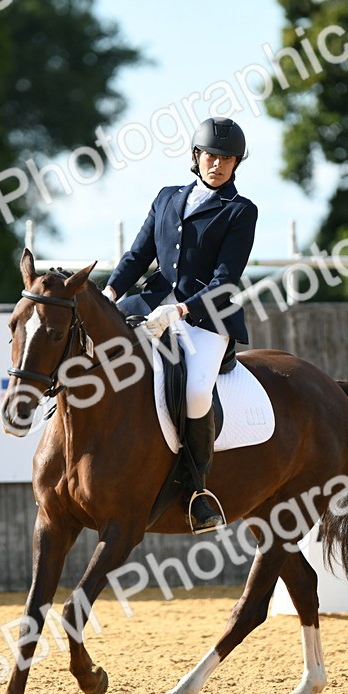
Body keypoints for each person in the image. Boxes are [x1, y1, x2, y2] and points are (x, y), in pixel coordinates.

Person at [104, 117, 258, 533]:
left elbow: (225, 280)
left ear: (236, 164)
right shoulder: (167, 198)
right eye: (212, 156)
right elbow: (137, 256)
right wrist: (111, 294)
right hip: (148, 304)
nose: (219, 164)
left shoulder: (240, 211)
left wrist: (182, 310)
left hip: (205, 319)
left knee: (193, 392)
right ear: (196, 156)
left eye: (228, 159)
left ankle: (197, 490)